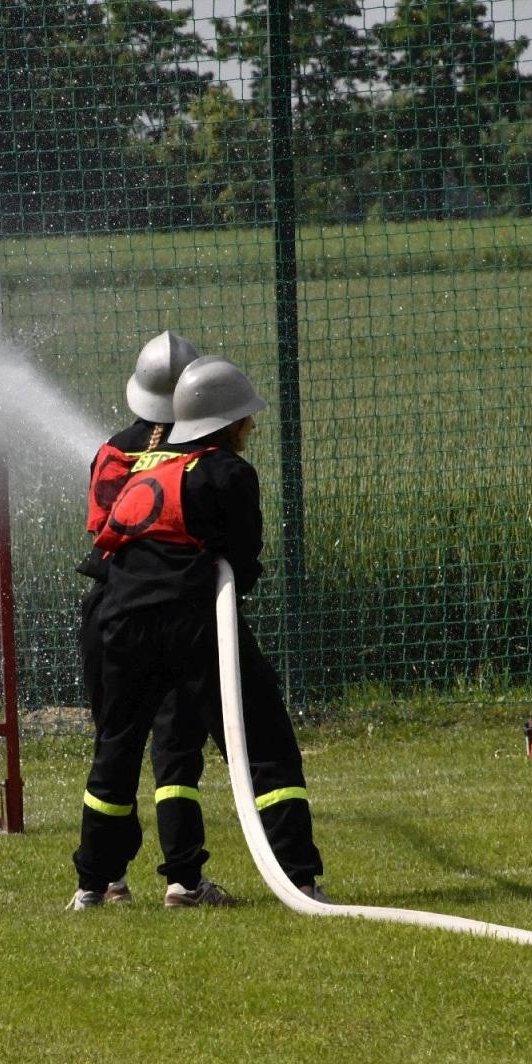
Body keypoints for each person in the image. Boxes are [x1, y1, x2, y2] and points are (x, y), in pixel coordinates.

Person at [70, 357, 325, 909]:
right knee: (264, 741)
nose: (252, 427)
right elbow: (243, 561)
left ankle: (93, 885)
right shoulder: (228, 473)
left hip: (120, 623)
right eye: (246, 419)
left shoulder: (145, 470)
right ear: (227, 423)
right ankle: (300, 878)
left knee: (116, 750)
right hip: (192, 619)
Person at [72, 330, 201, 907]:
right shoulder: (204, 453)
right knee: (176, 748)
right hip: (180, 611)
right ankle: (183, 880)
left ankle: (106, 880)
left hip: (112, 612)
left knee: (115, 744)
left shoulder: (112, 451)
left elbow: (102, 528)